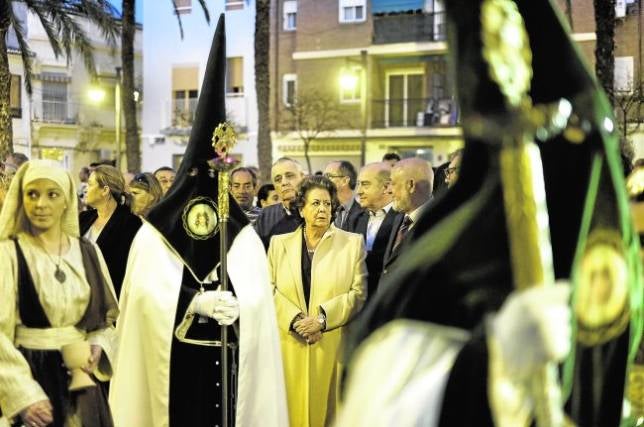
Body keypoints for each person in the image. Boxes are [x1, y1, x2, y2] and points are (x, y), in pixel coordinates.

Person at [109, 16, 288, 427]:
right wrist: (194, 299)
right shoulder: (155, 233)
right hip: (175, 363)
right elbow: (141, 297)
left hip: (230, 361)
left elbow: (260, 299)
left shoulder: (241, 234)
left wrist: (243, 305)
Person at [0, 160, 118, 427]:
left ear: (66, 200)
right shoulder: (8, 254)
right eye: (32, 194)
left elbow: (105, 320)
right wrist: (23, 394)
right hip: (32, 377)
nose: (41, 204)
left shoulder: (87, 252)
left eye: (52, 194)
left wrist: (99, 343)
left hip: (82, 385)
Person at [268, 176, 367, 427]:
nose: (323, 209)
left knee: (329, 413)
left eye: (327, 204)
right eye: (315, 204)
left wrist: (322, 321)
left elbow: (358, 293)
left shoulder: (352, 243)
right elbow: (268, 289)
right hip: (290, 344)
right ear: (301, 208)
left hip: (330, 345)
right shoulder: (279, 244)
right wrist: (296, 320)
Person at [79, 165, 142, 298]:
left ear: (105, 190)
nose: (85, 189)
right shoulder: (84, 218)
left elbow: (125, 269)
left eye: (90, 184)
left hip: (110, 299)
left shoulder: (130, 223)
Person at [381, 158, 434, 280]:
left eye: (393, 183)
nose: (388, 190)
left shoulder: (440, 223)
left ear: (410, 185)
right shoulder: (399, 218)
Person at [354, 162, 402, 297]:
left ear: (386, 187)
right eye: (358, 184)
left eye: (365, 184)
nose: (359, 191)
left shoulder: (403, 220)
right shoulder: (354, 218)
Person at [254, 157, 305, 249]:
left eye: (289, 176)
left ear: (303, 177)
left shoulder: (319, 210)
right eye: (278, 180)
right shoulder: (265, 217)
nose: (284, 182)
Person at [324, 160, 364, 233]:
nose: (323, 181)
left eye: (328, 176)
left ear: (345, 181)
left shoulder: (364, 213)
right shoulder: (324, 210)